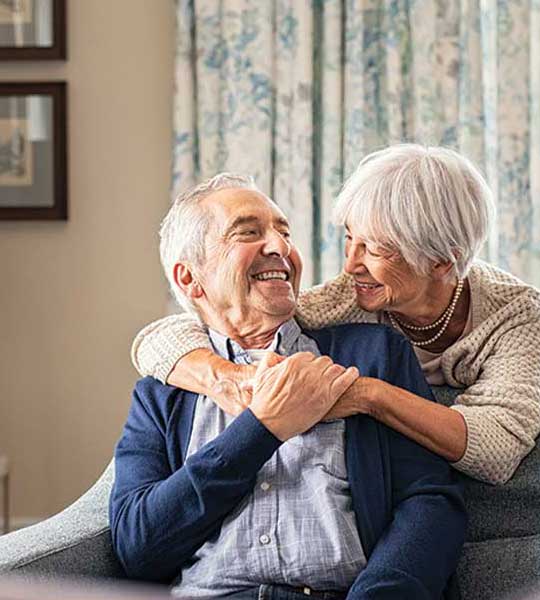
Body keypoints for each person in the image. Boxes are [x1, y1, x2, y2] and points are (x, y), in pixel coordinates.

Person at [110, 176, 467, 600]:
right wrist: (262, 428)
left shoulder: (372, 354)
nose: (280, 247)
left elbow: (430, 501)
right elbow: (138, 548)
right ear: (190, 279)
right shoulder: (162, 393)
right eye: (248, 232)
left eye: (284, 232)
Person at [131, 144, 540, 485]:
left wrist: (367, 396)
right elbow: (165, 336)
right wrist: (229, 378)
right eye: (350, 239)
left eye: (374, 249)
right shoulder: (349, 296)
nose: (351, 264)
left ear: (442, 262)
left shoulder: (517, 314)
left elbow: (497, 450)